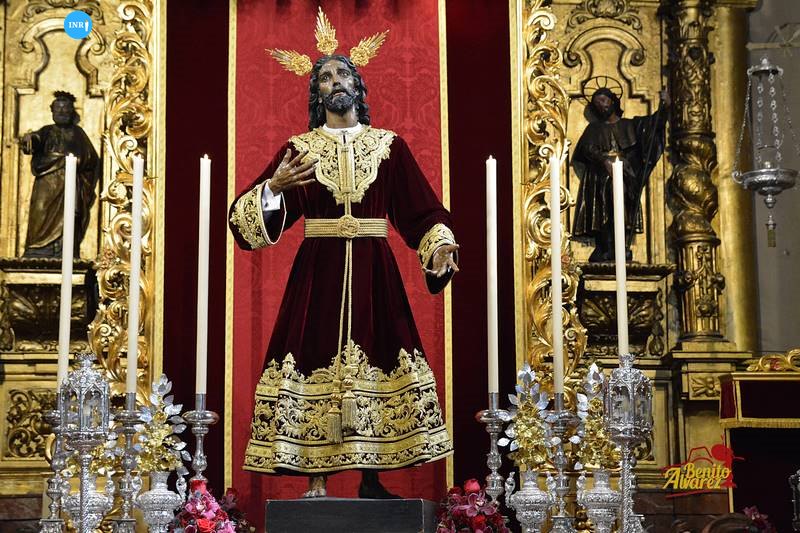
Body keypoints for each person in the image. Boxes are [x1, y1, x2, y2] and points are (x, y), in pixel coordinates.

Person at [229, 15, 458, 500]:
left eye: (343, 74)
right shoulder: (300, 150)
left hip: (376, 273)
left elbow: (421, 210)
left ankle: (372, 478)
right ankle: (316, 477)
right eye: (325, 77)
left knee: (380, 352)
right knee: (312, 355)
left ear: (358, 86)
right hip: (319, 274)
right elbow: (244, 220)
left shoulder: (389, 147)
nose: (335, 81)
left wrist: (438, 246)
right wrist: (274, 187)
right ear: (317, 93)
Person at [572, 83, 668, 262]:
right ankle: (606, 246)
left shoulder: (630, 124)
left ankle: (619, 245)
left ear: (613, 101)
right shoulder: (593, 129)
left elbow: (654, 124)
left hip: (624, 173)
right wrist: (604, 161)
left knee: (620, 201)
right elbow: (586, 148)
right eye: (597, 103)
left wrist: (665, 105)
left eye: (603, 100)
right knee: (604, 205)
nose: (601, 106)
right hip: (599, 176)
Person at [20, 91, 100, 258]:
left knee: (68, 216)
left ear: (71, 112)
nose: (62, 112)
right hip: (46, 183)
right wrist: (29, 138)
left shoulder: (78, 133)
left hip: (68, 185)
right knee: (40, 211)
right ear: (52, 111)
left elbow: (91, 159)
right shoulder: (46, 131)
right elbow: (34, 142)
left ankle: (62, 249)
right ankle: (37, 249)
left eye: (66, 109)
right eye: (58, 109)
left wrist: (74, 162)